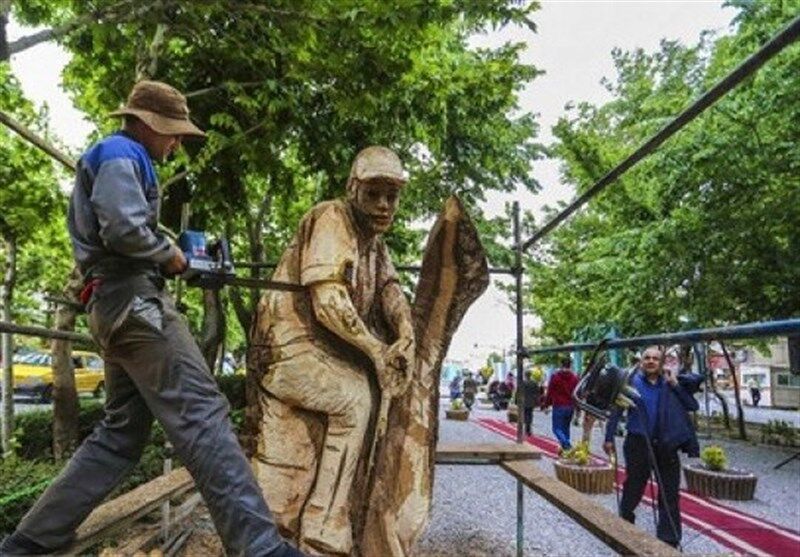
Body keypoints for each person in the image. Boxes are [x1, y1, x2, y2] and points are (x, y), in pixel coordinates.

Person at [0, 81, 303, 557]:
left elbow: (125, 228)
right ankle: (262, 549)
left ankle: (29, 541)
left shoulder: (116, 157)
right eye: (173, 133)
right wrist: (169, 255)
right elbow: (122, 227)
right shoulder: (121, 151)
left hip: (112, 309)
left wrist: (170, 253)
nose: (176, 143)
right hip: (136, 305)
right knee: (204, 415)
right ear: (148, 124)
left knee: (121, 433)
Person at [250, 146, 415, 554]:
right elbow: (328, 302)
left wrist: (406, 332)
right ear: (352, 189)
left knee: (371, 393)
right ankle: (325, 525)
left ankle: (345, 515)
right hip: (285, 347)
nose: (383, 205)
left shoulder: (374, 243)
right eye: (373, 193)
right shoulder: (332, 217)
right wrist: (377, 352)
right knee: (354, 397)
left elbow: (391, 291)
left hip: (322, 352)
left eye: (391, 196)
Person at [603, 346, 700, 548]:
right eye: (647, 358)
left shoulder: (670, 382)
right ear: (641, 361)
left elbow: (692, 405)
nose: (650, 361)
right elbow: (616, 410)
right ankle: (625, 520)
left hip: (666, 444)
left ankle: (669, 539)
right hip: (638, 442)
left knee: (669, 491)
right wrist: (609, 437)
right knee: (634, 486)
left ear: (661, 362)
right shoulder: (630, 382)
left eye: (655, 358)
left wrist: (675, 384)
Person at [541, 357, 579, 451]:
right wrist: (578, 408)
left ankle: (567, 445)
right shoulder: (575, 378)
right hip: (570, 406)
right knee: (566, 428)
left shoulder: (555, 377)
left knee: (556, 428)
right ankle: (565, 449)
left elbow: (550, 392)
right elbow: (578, 393)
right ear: (570, 365)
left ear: (561, 365)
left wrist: (546, 405)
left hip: (559, 405)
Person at [520, 370, 543, 436]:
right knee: (529, 414)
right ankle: (528, 428)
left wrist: (516, 401)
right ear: (530, 375)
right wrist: (537, 401)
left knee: (525, 414)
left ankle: (526, 428)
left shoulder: (522, 383)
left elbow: (518, 392)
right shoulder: (534, 383)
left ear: (525, 375)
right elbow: (538, 392)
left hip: (523, 401)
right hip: (531, 401)